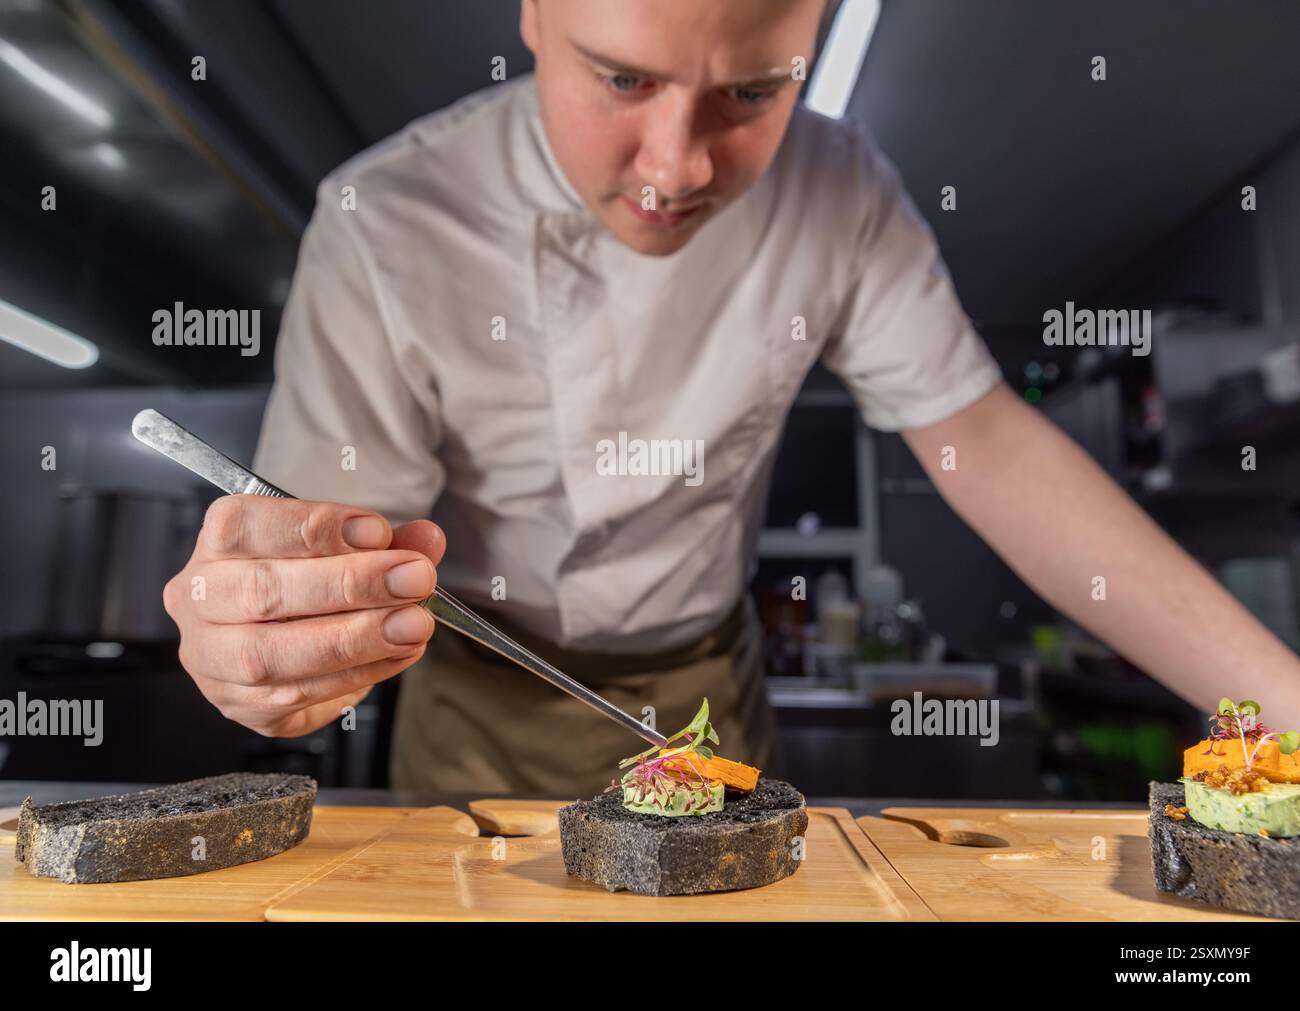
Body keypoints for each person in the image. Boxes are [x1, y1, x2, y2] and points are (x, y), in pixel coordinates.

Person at [163, 0, 1300, 796]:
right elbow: (332, 553)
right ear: (531, 14)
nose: (677, 167)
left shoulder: (841, 189)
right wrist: (280, 636)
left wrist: (1278, 700)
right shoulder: (385, 223)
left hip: (713, 692)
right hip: (480, 698)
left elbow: (984, 442)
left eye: (752, 92)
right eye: (621, 78)